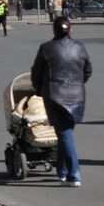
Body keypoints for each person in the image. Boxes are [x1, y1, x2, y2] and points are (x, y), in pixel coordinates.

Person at [30, 16, 92, 186]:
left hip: (54, 96)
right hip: (77, 96)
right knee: (66, 134)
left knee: (64, 134)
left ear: (54, 30)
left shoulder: (46, 48)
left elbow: (36, 72)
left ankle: (74, 174)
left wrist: (38, 89)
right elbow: (87, 71)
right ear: (70, 30)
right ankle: (62, 172)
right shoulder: (80, 47)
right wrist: (78, 83)